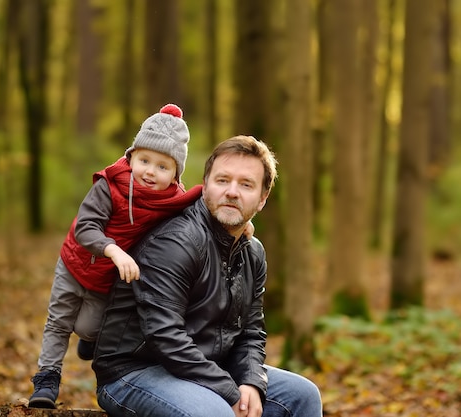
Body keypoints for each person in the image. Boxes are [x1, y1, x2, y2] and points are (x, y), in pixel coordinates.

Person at [92, 135, 323, 417]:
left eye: (246, 184)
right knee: (215, 413)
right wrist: (229, 389)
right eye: (222, 180)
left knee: (303, 396)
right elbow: (165, 336)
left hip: (207, 365)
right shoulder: (176, 242)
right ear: (205, 186)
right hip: (134, 371)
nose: (232, 192)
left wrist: (251, 381)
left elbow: (251, 332)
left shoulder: (253, 253)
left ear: (262, 199)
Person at [28, 104, 204, 409]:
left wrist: (243, 223)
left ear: (176, 174)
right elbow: (86, 226)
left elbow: (204, 211)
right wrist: (113, 250)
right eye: (144, 160)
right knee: (59, 320)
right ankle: (47, 378)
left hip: (105, 279)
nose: (150, 171)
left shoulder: (174, 201)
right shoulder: (110, 185)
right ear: (131, 156)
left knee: (90, 327)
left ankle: (89, 340)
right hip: (75, 263)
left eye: (163, 166)